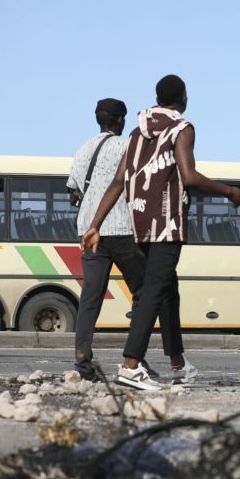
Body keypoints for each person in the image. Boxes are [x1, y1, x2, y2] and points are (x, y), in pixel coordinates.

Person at [82, 75, 240, 390]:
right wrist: (229, 191)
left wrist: (94, 224)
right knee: (154, 291)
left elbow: (118, 181)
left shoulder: (136, 132)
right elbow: (189, 176)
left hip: (140, 222)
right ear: (182, 98)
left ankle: (178, 363)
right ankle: (130, 366)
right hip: (168, 224)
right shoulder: (182, 129)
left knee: (167, 289)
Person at [67, 98, 166, 381]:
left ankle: (83, 358)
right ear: (121, 121)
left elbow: (72, 193)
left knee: (91, 295)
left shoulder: (82, 149)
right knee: (144, 292)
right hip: (121, 227)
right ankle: (135, 360)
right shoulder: (127, 146)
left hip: (89, 230)